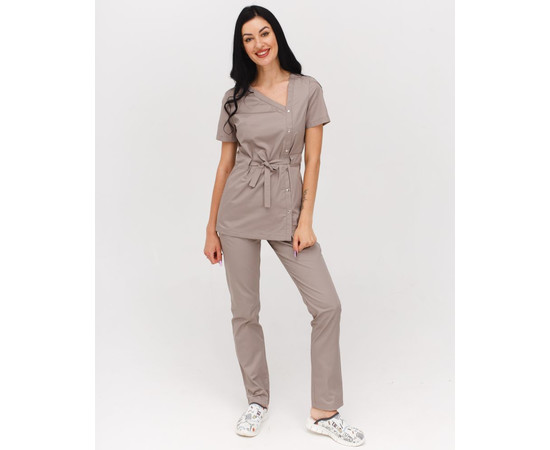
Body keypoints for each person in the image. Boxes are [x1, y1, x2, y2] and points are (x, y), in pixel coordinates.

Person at [204, 5, 365, 447]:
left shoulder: (308, 89)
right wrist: (211, 228)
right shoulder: (234, 99)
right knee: (245, 311)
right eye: (248, 38)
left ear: (277, 35)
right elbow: (225, 166)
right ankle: (257, 401)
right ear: (241, 47)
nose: (258, 43)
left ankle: (324, 411)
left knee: (327, 306)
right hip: (238, 210)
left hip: (288, 209)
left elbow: (313, 160)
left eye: (264, 33)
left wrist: (305, 220)